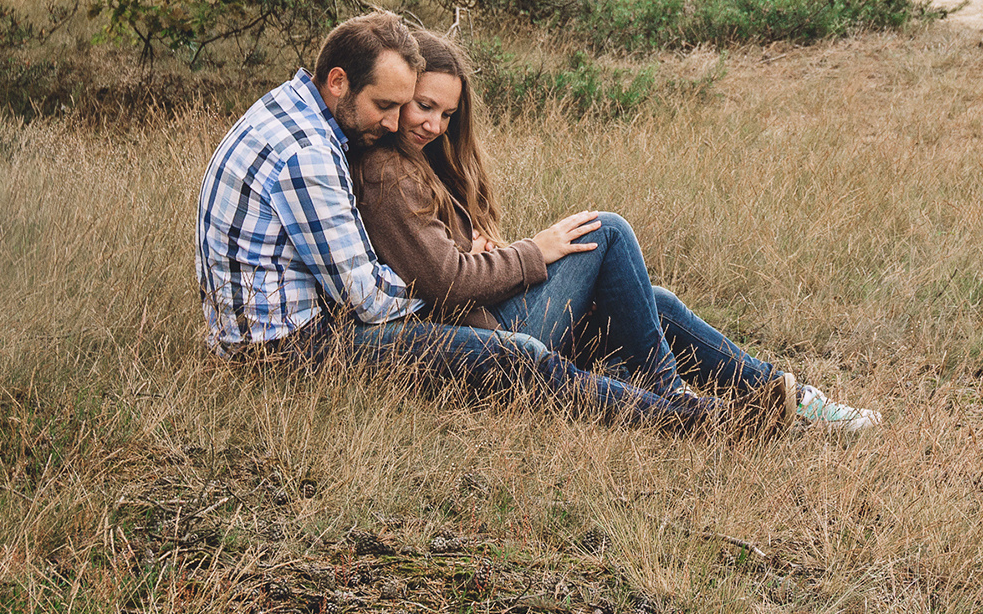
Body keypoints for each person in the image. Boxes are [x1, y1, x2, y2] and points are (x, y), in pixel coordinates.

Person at [195, 12, 742, 432]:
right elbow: (371, 298)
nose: (394, 123)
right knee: (534, 339)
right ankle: (683, 416)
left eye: (425, 110)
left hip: (296, 336)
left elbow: (393, 271)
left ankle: (748, 395)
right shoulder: (310, 154)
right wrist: (464, 273)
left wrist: (463, 268)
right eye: (390, 105)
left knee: (647, 299)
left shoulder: (289, 112)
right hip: (293, 354)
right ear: (337, 81)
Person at [352, 26, 882, 435]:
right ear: (398, 95)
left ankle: (786, 396)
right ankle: (673, 395)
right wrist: (531, 252)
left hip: (488, 316)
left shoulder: (418, 164)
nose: (433, 124)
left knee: (654, 301)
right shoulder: (388, 172)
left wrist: (486, 251)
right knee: (606, 231)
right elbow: (445, 281)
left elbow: (442, 259)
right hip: (490, 341)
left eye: (446, 113)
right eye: (422, 106)